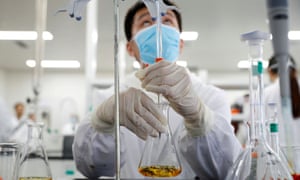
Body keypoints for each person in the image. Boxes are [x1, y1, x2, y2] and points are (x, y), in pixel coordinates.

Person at [73, 0, 242, 179]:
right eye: (146, 22)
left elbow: (226, 171)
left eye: (167, 21)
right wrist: (102, 123)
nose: (158, 28)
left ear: (180, 43)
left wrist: (200, 119)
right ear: (130, 48)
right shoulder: (109, 99)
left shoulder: (210, 98)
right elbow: (89, 168)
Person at [264, 55, 300, 146]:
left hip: (274, 156)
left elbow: (251, 129)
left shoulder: (265, 94)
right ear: (295, 71)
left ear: (270, 72)